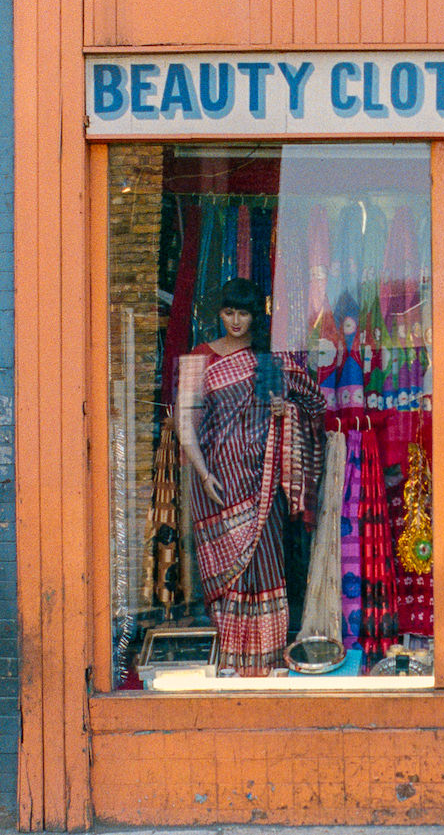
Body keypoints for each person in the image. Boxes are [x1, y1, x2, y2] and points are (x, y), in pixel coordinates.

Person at [177, 278, 325, 674]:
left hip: (262, 486)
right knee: (224, 575)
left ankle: (266, 661)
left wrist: (285, 412)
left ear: (255, 316)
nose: (236, 321)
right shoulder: (200, 357)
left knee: (264, 567)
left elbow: (313, 404)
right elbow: (184, 423)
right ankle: (228, 664)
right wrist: (203, 473)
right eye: (229, 312)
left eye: (243, 313)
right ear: (219, 314)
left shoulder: (267, 361)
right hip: (216, 484)